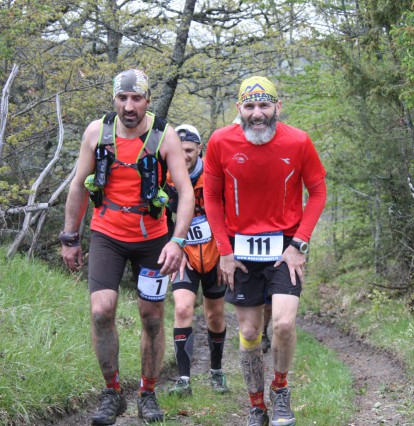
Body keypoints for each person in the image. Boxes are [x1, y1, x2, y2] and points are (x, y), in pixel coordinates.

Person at [60, 69, 194, 425]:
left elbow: (186, 192)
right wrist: (70, 237)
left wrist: (177, 241)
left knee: (151, 318)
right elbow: (78, 186)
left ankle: (147, 393)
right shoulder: (97, 132)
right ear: (114, 99)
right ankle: (113, 392)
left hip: (152, 239)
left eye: (136, 98)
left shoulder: (165, 136)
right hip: (107, 234)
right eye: (122, 98)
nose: (129, 106)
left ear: (148, 100)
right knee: (102, 311)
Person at [203, 76, 327, 426]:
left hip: (285, 248)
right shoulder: (220, 142)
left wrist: (299, 243)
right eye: (250, 106)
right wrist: (223, 250)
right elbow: (211, 197)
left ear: (278, 107)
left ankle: (281, 392)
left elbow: (317, 192)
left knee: (285, 324)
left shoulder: (299, 141)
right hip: (239, 251)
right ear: (239, 109)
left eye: (264, 105)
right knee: (249, 333)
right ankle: (257, 405)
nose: (257, 114)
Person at [164, 124, 229, 396]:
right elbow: (162, 219)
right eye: (180, 150)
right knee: (182, 309)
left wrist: (227, 252)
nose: (185, 155)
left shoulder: (214, 176)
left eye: (189, 150)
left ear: (199, 149)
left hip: (214, 256)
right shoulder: (166, 180)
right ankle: (183, 381)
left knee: (215, 316)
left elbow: (230, 215)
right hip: (185, 256)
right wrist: (173, 247)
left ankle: (216, 372)